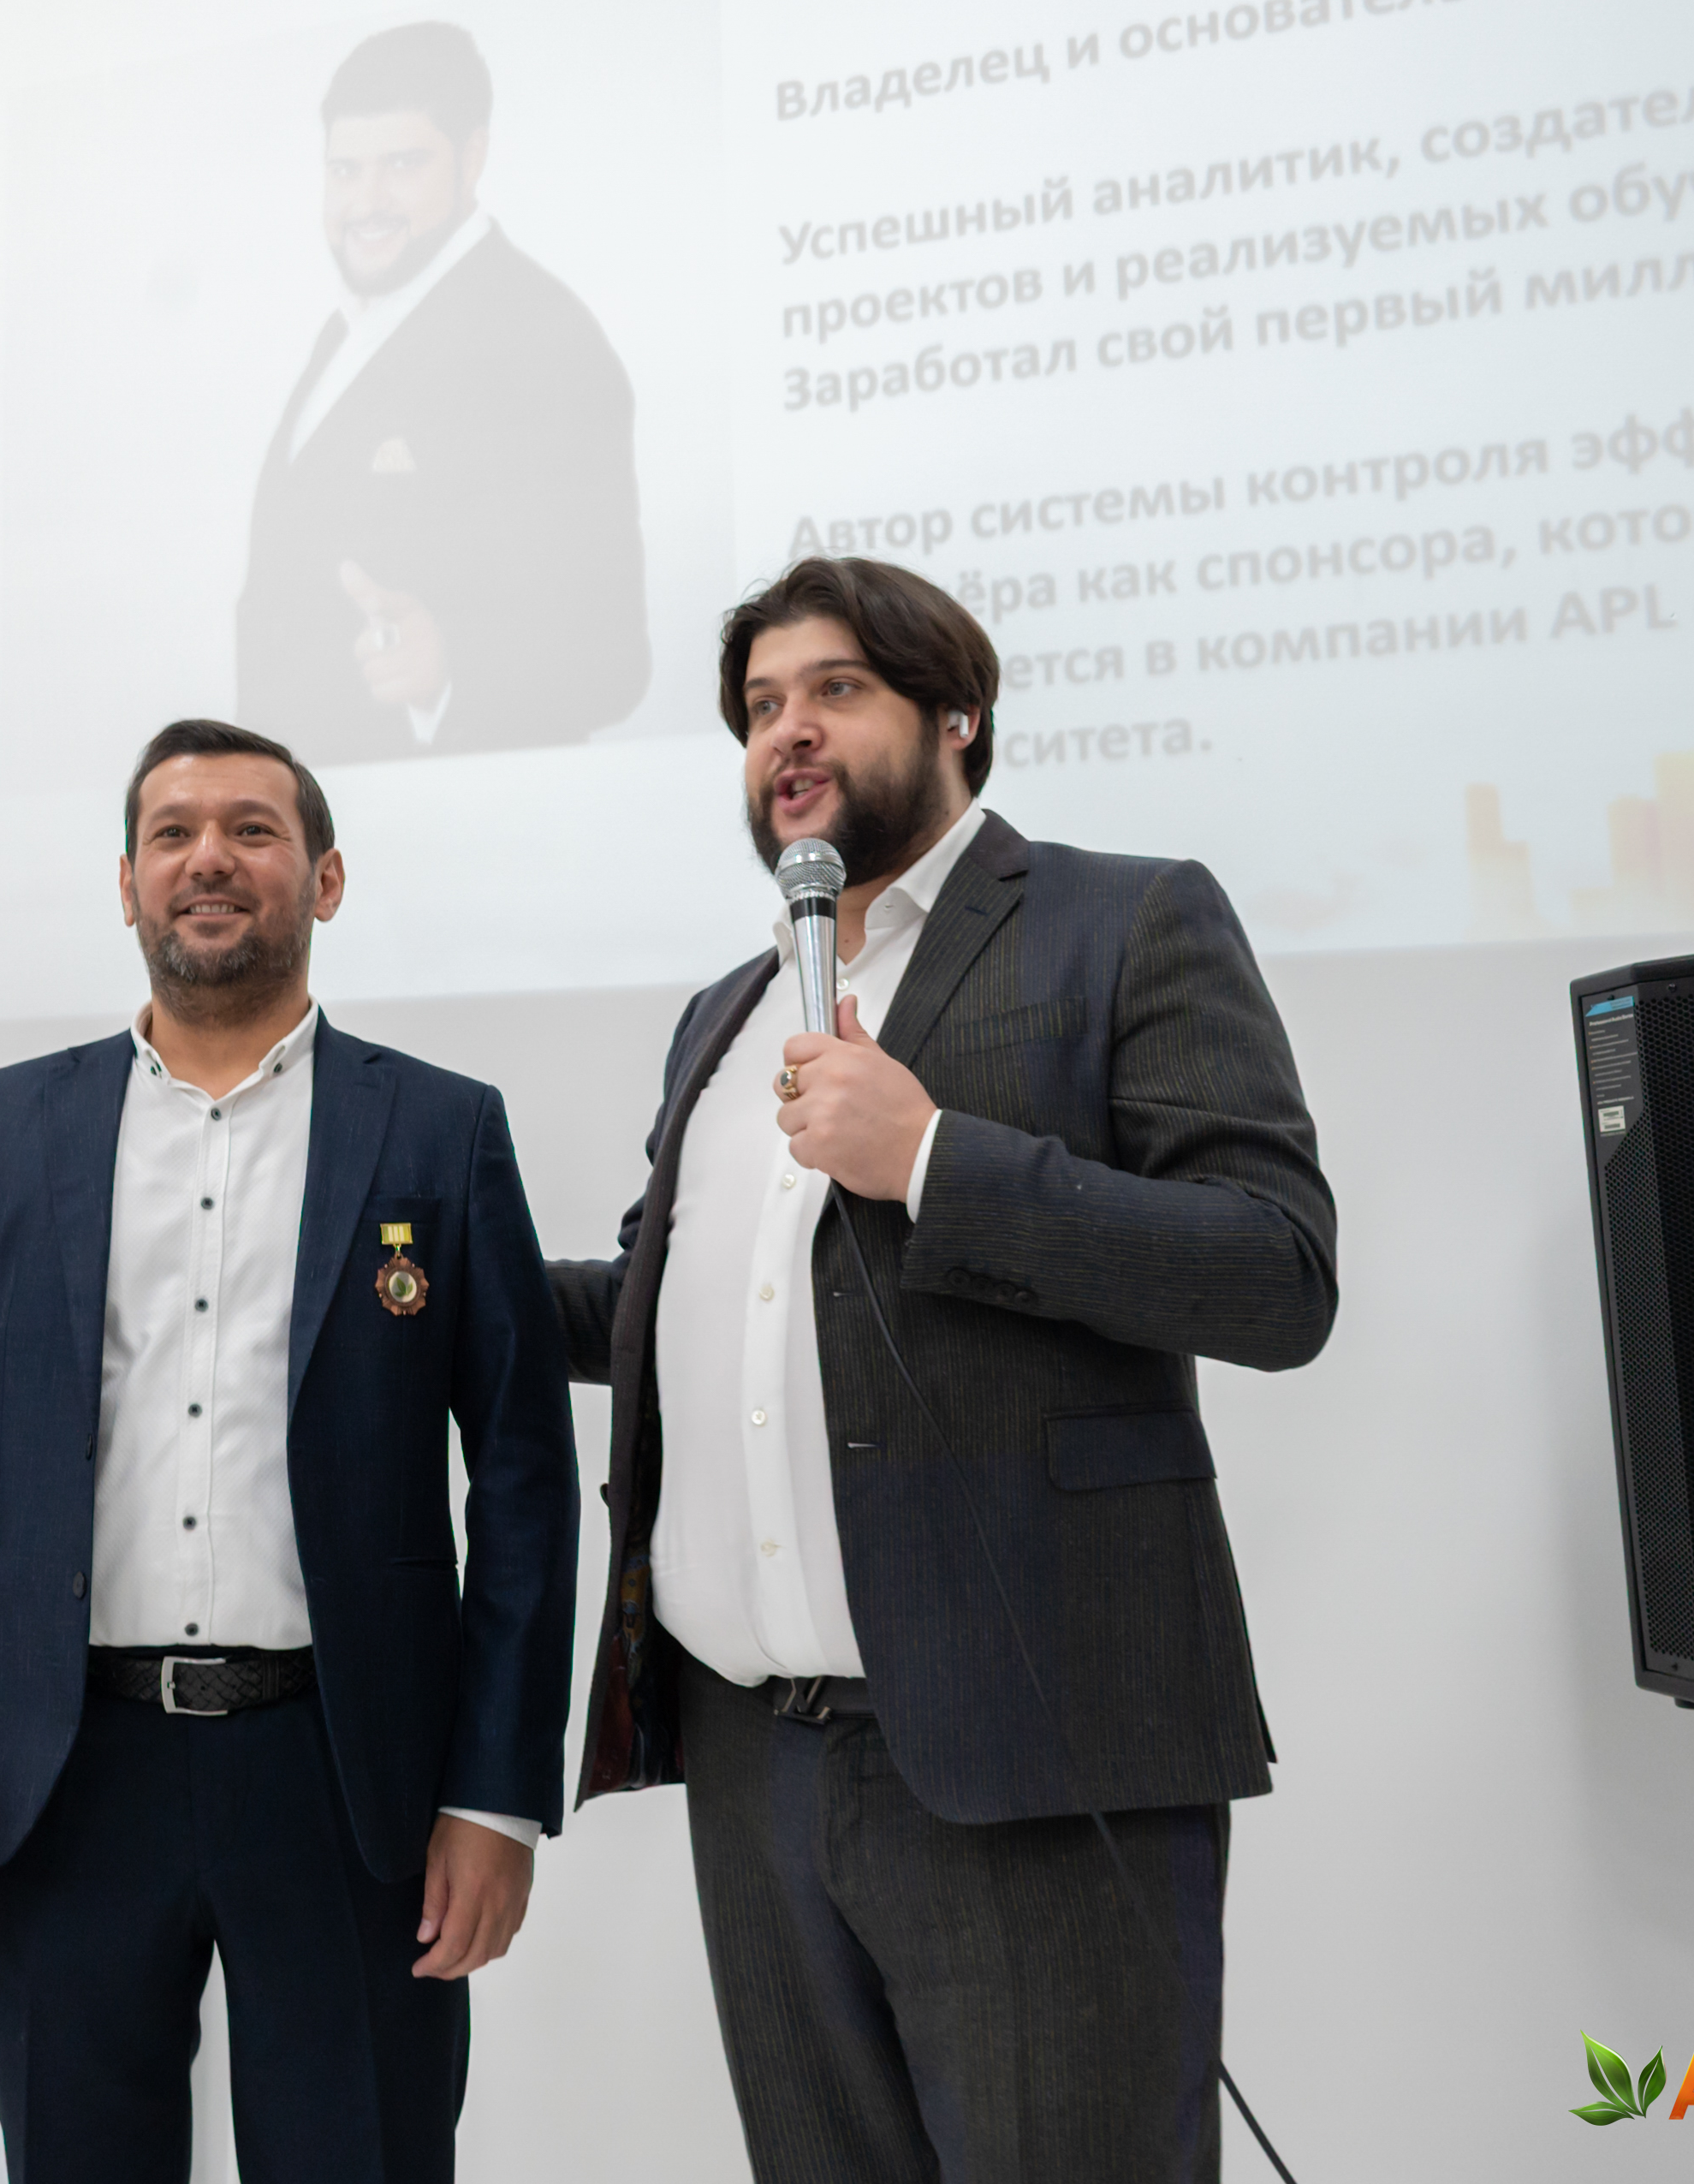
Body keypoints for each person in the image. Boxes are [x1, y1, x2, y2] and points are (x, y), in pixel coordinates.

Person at [547, 557, 1339, 2180]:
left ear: (956, 713)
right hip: (754, 1763)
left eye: (833, 690)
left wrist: (931, 1158)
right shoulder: (727, 1014)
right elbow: (662, 1302)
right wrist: (440, 1284)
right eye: (760, 706)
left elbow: (1275, 1270)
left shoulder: (1126, 919)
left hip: (1028, 1752)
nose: (787, 732)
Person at [0, 717, 580, 2183]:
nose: (209, 859)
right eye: (172, 833)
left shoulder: (440, 1131)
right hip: (60, 1773)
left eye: (252, 828)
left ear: (326, 877)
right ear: (126, 883)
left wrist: (494, 1790)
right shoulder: (2, 1130)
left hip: (348, 1779)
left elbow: (525, 1486)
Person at [233, 21, 648, 766]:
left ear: (473, 156)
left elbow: (612, 656)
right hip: (313, 815)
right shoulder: (349, 331)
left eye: (402, 164)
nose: (366, 201)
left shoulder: (541, 339)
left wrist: (451, 669)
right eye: (345, 170)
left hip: (461, 815)